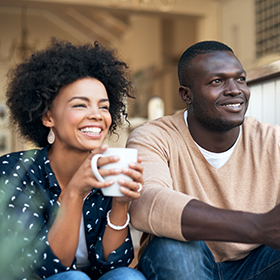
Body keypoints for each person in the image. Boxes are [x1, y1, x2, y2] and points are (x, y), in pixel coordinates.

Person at [126, 40, 280, 279]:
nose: (235, 90)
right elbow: (145, 203)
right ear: (186, 94)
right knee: (173, 247)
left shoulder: (273, 140)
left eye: (240, 79)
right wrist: (258, 227)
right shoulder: (153, 136)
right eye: (217, 81)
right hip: (186, 264)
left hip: (259, 265)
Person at [0, 38, 146, 280]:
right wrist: (75, 192)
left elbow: (113, 264)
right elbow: (47, 269)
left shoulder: (106, 170)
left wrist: (120, 203)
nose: (96, 116)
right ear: (47, 117)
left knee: (128, 277)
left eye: (103, 107)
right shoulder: (15, 171)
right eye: (80, 105)